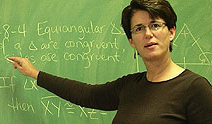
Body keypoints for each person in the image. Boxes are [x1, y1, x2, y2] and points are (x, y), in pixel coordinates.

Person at [8, 0, 212, 124]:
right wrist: (35, 74)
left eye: (155, 25)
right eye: (139, 28)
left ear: (171, 31)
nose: (148, 34)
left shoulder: (194, 88)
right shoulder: (129, 86)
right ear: (131, 41)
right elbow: (86, 94)